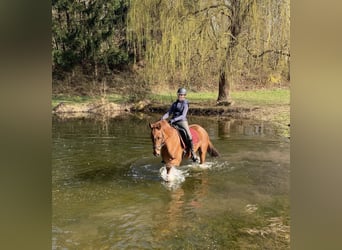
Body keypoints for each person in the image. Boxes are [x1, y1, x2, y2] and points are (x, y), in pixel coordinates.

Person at [161, 87, 199, 162]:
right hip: (173, 122)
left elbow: (183, 115)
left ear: (184, 96)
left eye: (182, 95)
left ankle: (192, 152)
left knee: (188, 135)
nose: (180, 96)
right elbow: (169, 113)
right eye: (179, 95)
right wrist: (162, 118)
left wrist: (174, 119)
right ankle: (165, 153)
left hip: (182, 121)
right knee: (165, 134)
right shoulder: (174, 104)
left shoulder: (185, 104)